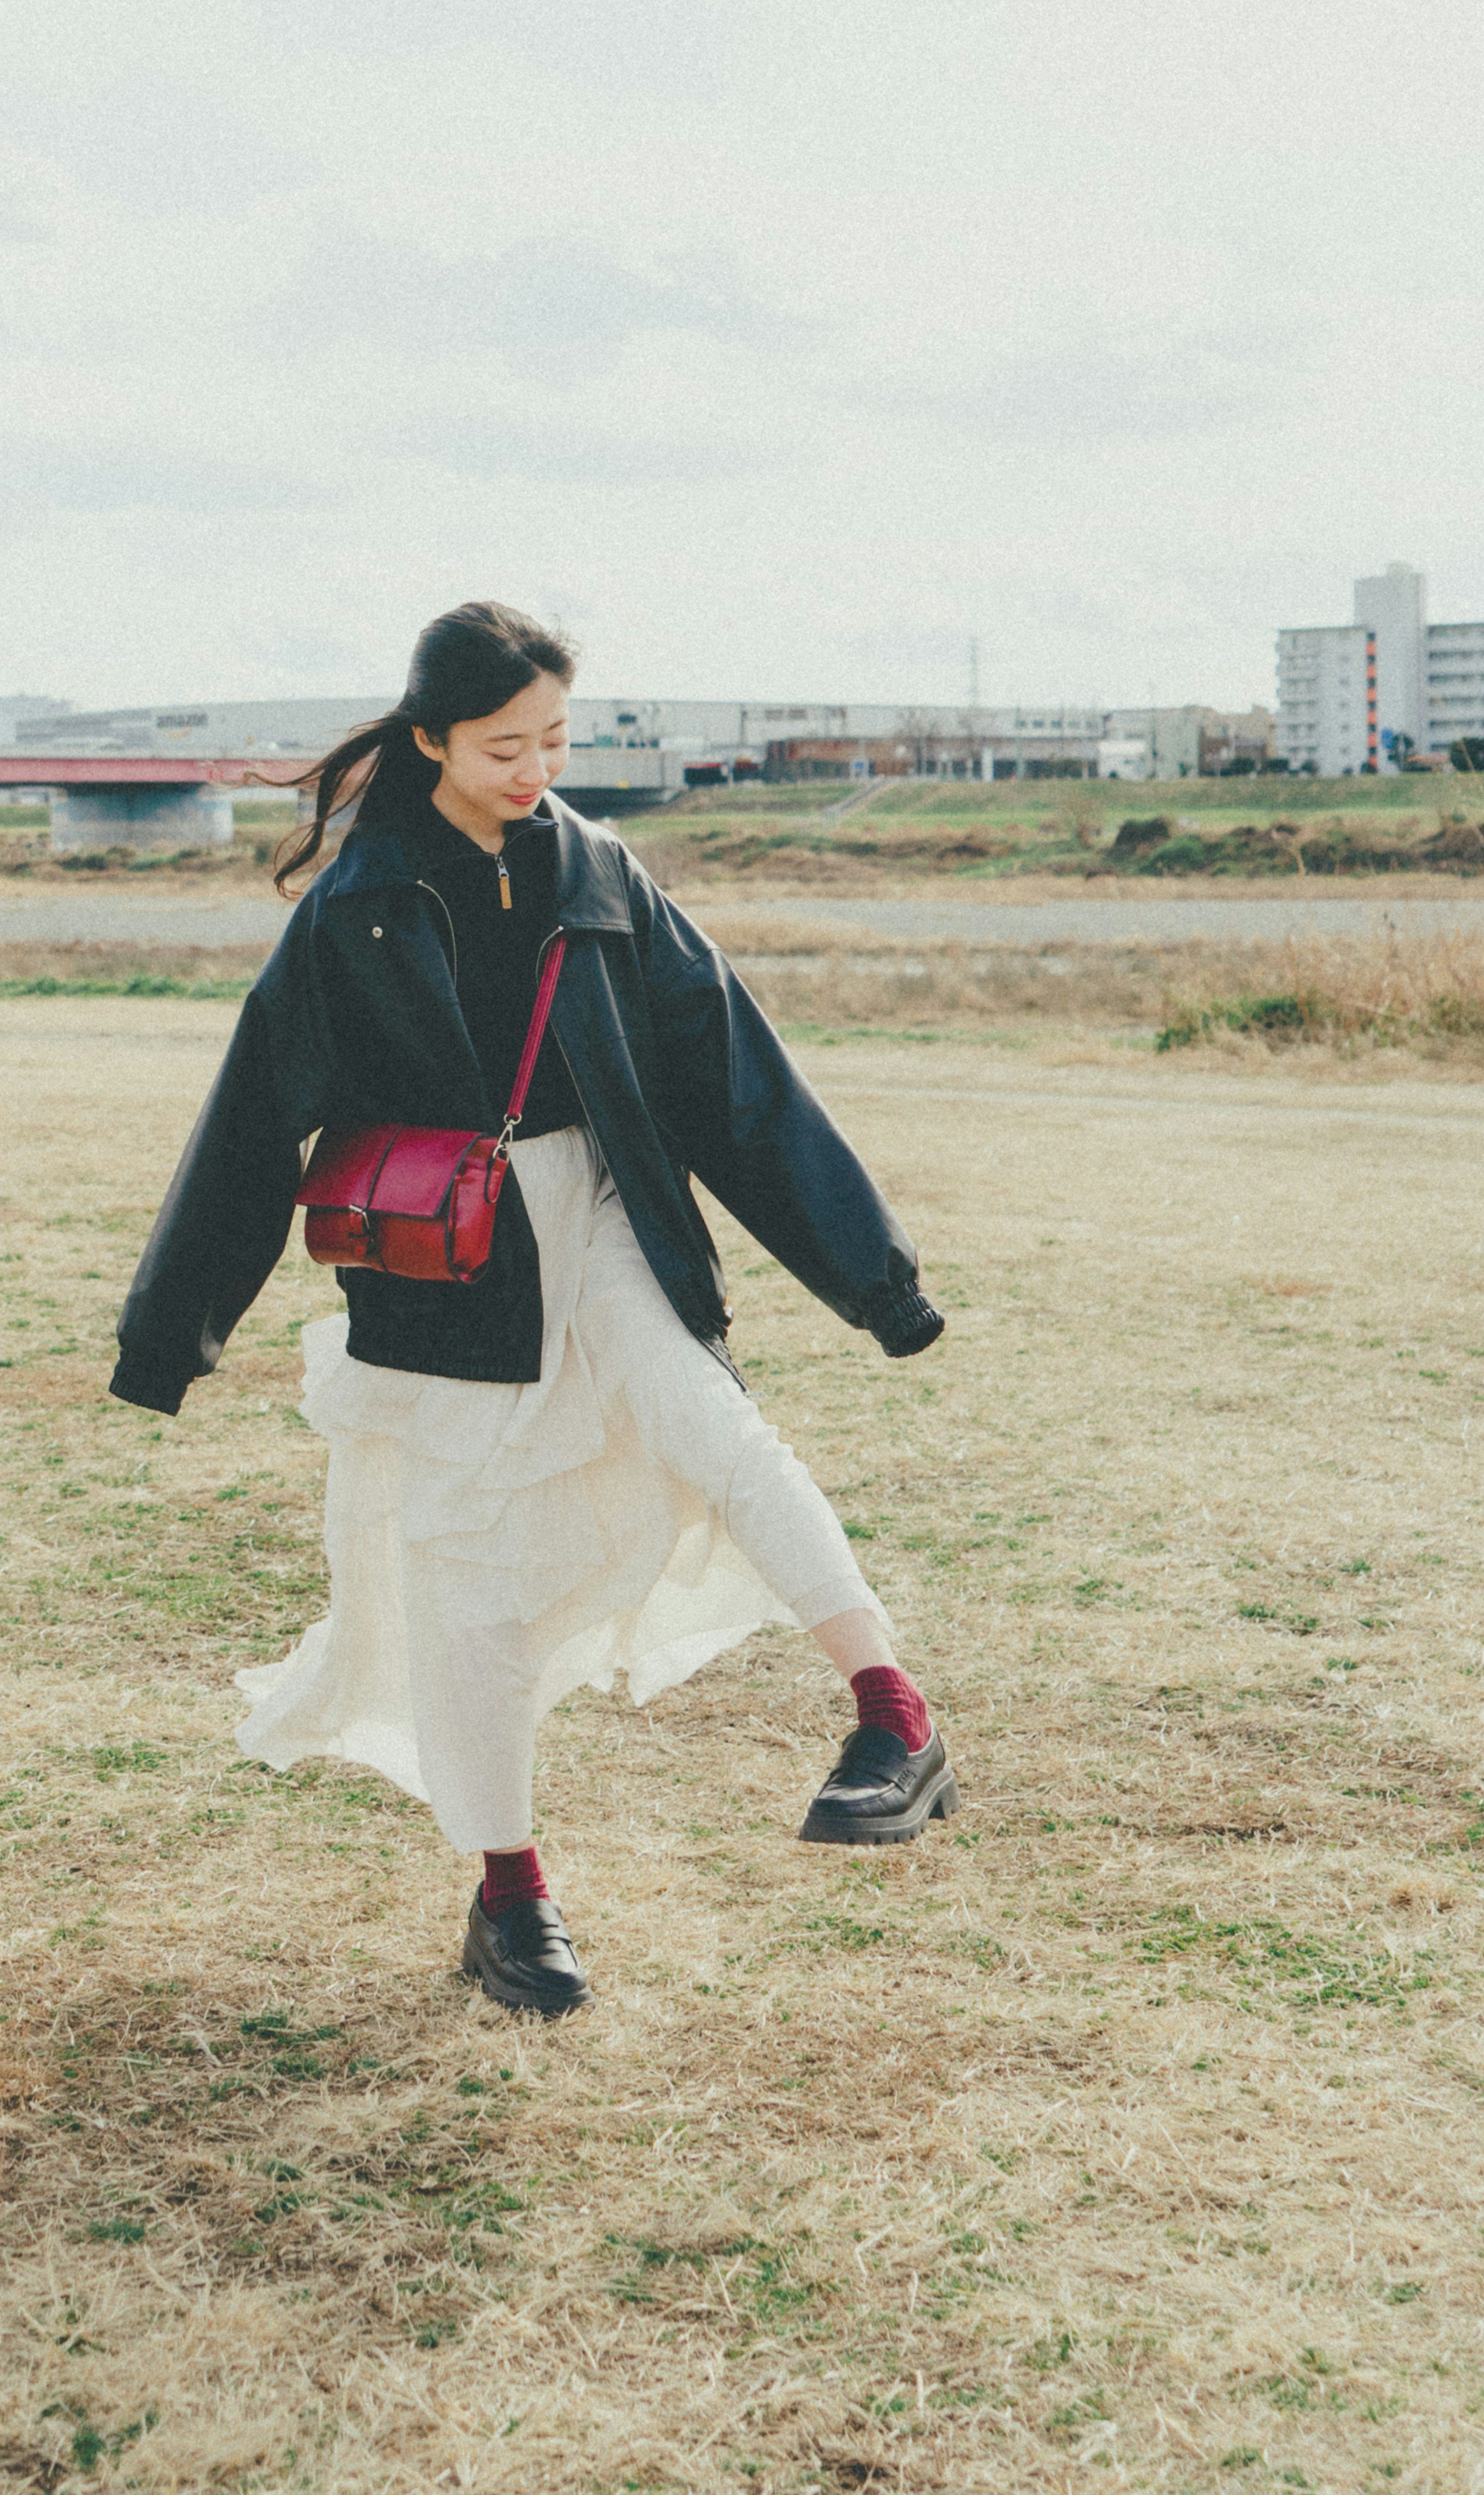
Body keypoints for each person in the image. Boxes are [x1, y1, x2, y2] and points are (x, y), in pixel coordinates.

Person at [112, 602, 954, 2017]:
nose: (536, 769)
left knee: (714, 1427)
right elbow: (255, 1123)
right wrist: (169, 1334)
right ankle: (510, 1900)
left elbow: (739, 1085)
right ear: (429, 738)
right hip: (451, 1269)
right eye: (506, 745)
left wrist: (878, 1280)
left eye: (557, 739)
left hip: (614, 1211)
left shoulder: (601, 875)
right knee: (472, 1591)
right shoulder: (356, 907)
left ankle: (895, 1718)